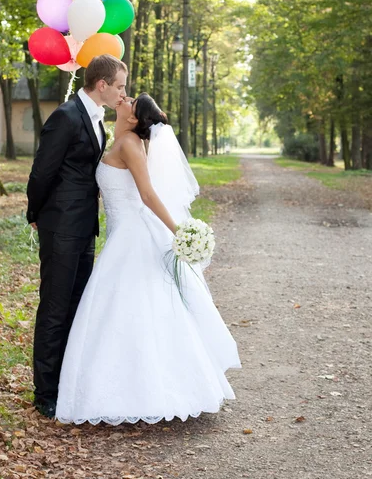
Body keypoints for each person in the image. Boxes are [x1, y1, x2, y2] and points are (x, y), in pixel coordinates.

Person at [55, 93, 241, 425]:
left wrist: (178, 231)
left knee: (133, 309)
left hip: (132, 235)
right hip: (119, 234)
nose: (122, 98)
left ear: (134, 117)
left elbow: (148, 193)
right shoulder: (119, 138)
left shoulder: (128, 143)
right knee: (123, 311)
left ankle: (148, 393)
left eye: (127, 99)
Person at [26, 54, 128, 419]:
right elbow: (42, 172)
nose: (122, 93)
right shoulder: (66, 117)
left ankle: (67, 383)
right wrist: (35, 213)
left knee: (75, 306)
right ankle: (46, 392)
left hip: (85, 227)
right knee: (54, 307)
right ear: (101, 84)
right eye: (119, 86)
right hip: (61, 226)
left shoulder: (97, 119)